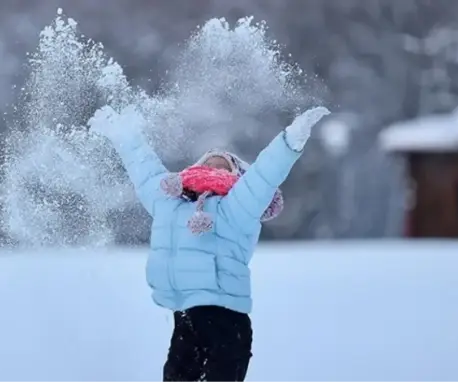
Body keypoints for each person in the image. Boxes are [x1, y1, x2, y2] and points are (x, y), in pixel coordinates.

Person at [88, 105, 330, 382]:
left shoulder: (237, 205)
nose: (213, 168)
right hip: (185, 316)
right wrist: (123, 134)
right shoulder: (170, 202)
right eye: (207, 163)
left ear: (238, 177)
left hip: (226, 319)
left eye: (222, 166)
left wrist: (290, 141)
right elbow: (144, 170)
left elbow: (264, 176)